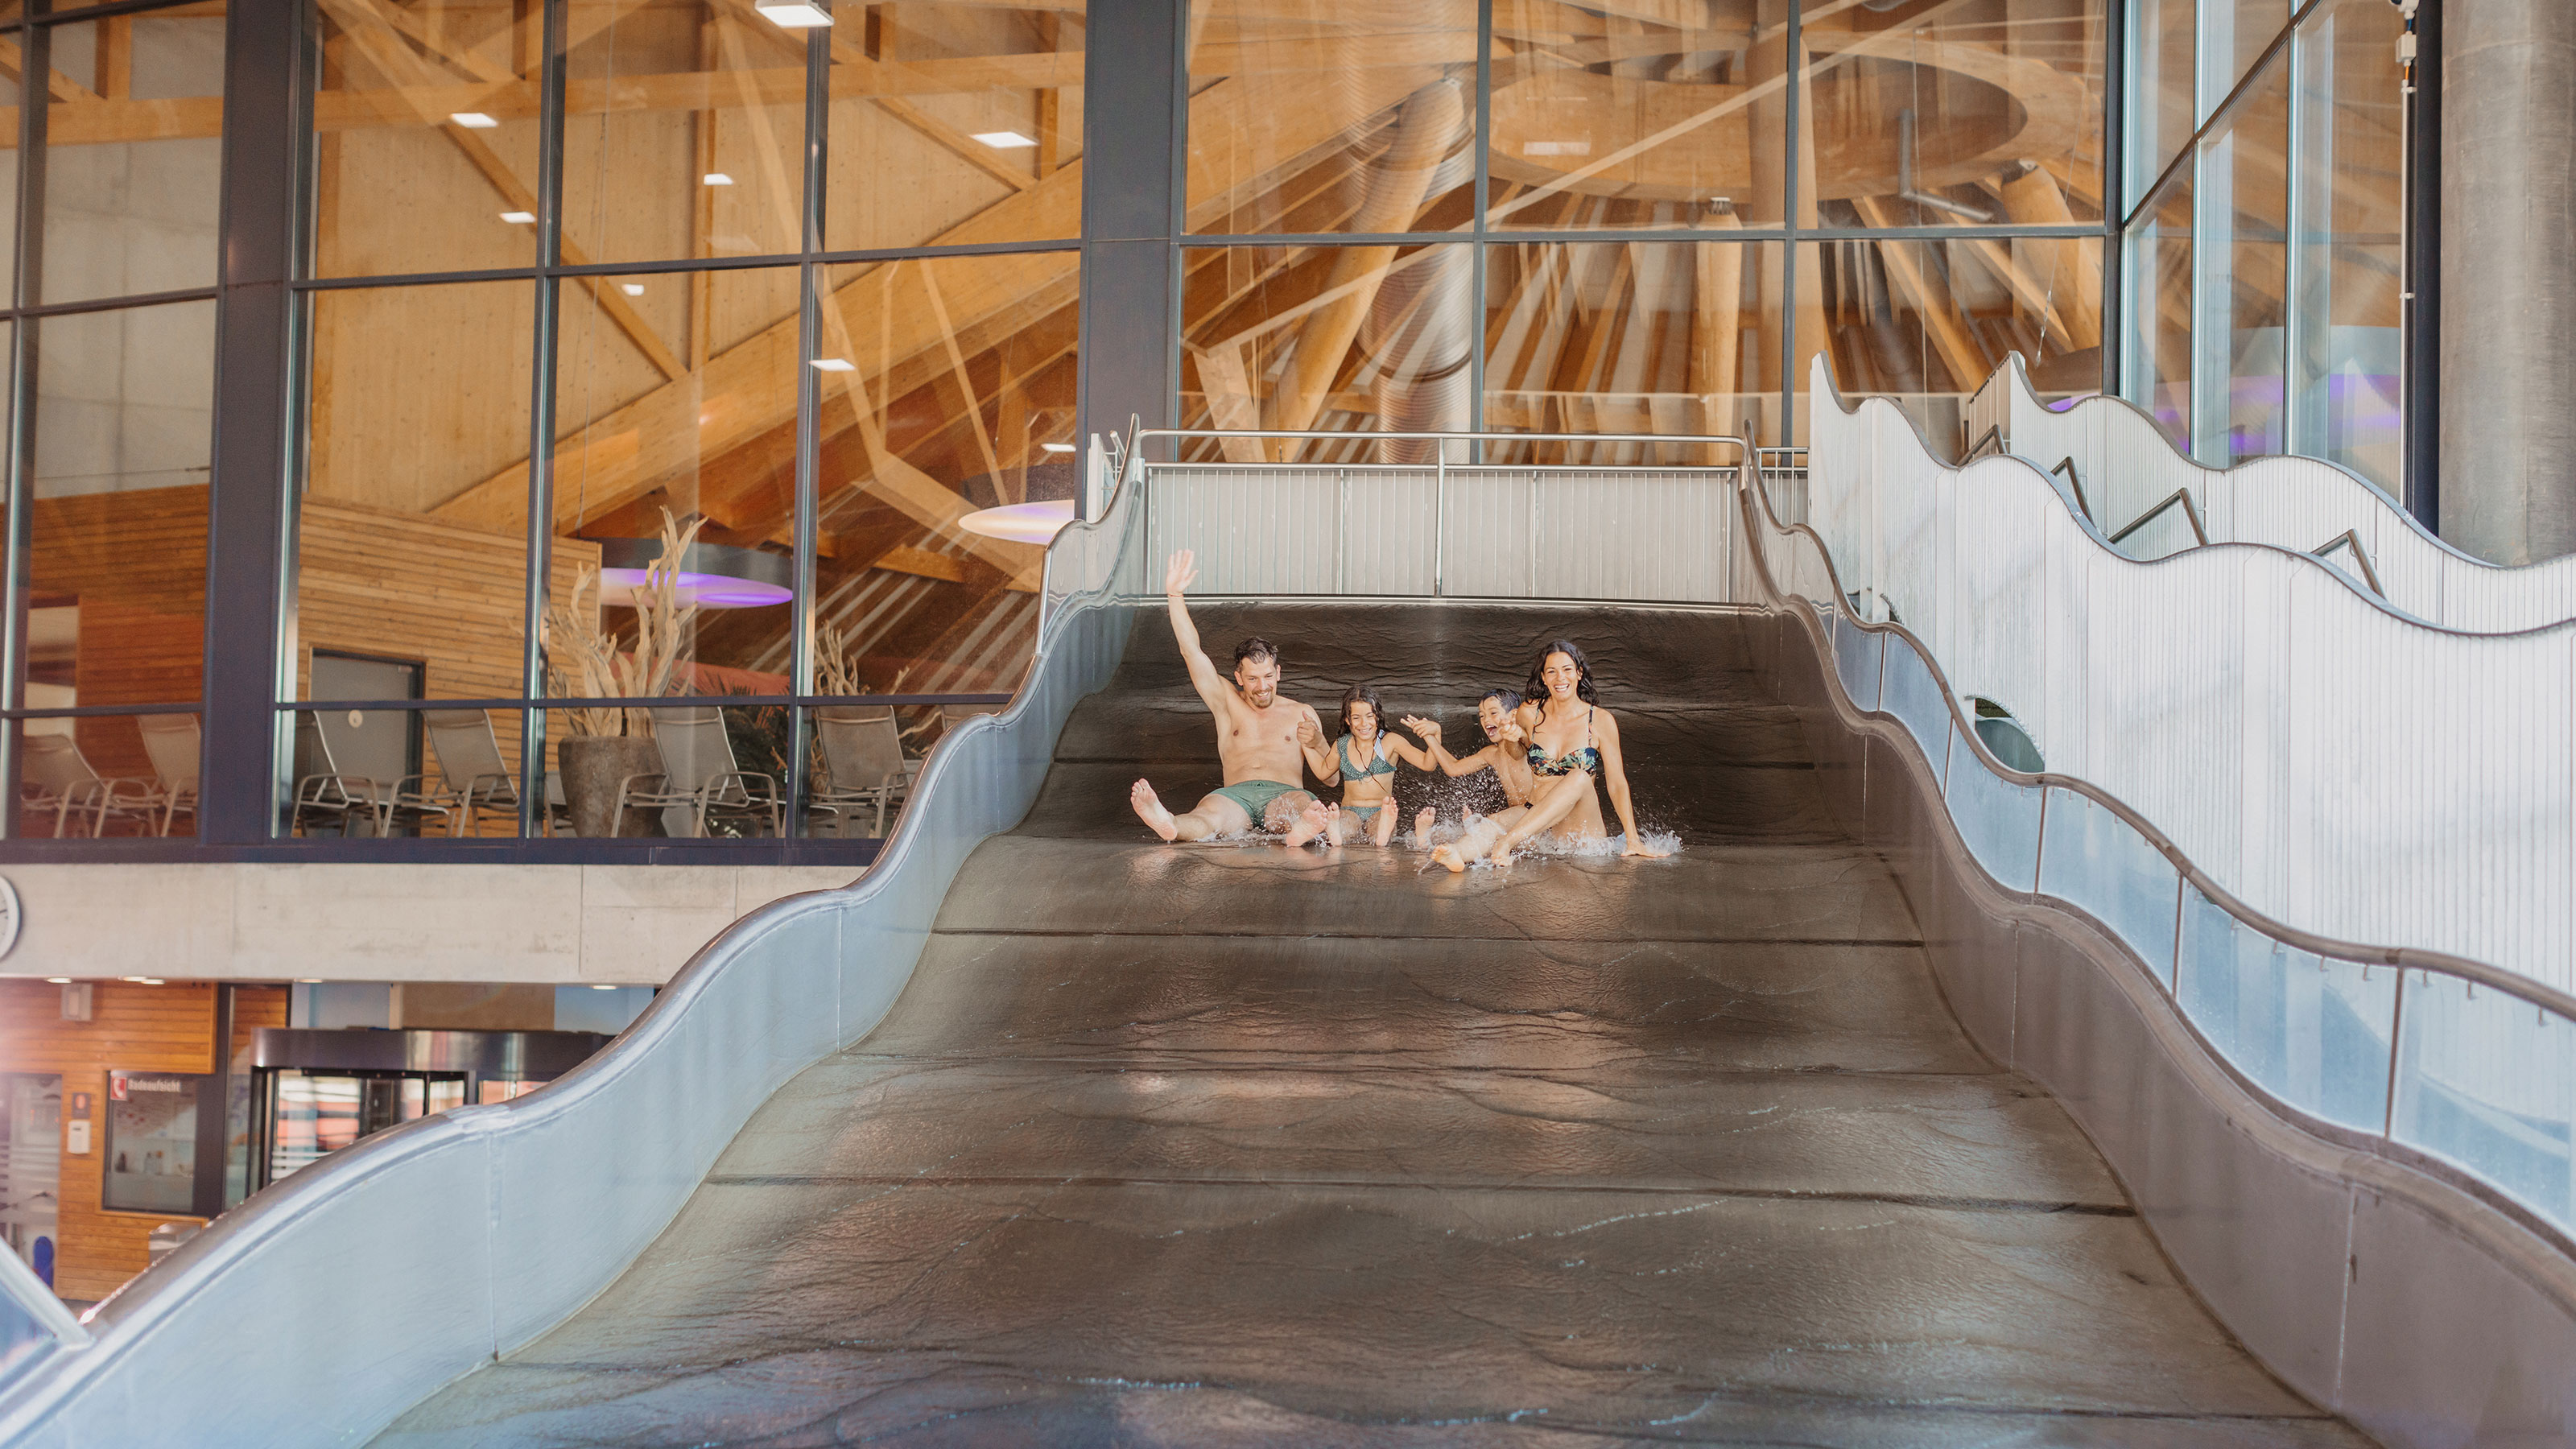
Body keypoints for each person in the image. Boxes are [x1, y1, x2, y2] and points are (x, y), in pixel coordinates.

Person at [1128, 549, 1331, 847]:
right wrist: (1175, 596)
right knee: (1209, 816)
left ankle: (1300, 828)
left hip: (1285, 792)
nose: (1262, 686)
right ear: (1239, 677)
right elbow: (1191, 652)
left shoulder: (1302, 713)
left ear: (1278, 673)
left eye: (1267, 676)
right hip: (1235, 796)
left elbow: (1331, 779)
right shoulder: (1226, 702)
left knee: (1299, 806)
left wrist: (1319, 742)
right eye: (1252, 679)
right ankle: (1169, 823)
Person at [1430, 640, 1670, 870]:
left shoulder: (1600, 720)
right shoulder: (1530, 713)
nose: (1560, 678)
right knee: (1492, 822)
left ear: (1579, 673)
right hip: (1539, 824)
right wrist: (1514, 737)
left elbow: (1617, 784)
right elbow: (1517, 754)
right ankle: (1457, 854)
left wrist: (1632, 839)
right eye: (1552, 672)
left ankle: (1506, 843)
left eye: (1567, 670)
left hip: (1580, 832)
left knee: (1579, 777)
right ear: (1544, 678)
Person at [1402, 689, 1537, 847]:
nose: (1486, 720)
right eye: (1482, 716)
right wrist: (1430, 736)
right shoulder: (1491, 754)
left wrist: (1515, 732)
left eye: (1493, 713)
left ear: (1514, 715)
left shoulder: (1524, 740)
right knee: (1451, 834)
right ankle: (1425, 840)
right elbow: (1453, 768)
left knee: (1489, 825)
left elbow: (1518, 751)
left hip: (1536, 815)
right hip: (1515, 819)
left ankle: (1466, 839)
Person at [1312, 684, 1437, 847]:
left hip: (1380, 811)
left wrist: (1434, 734)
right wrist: (1306, 745)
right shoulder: (1342, 744)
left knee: (1379, 830)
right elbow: (1323, 773)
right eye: (1356, 718)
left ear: (1377, 716)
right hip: (1350, 809)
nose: (1364, 723)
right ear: (1348, 720)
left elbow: (1428, 764)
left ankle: (1381, 836)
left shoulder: (1391, 741)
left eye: (1369, 716)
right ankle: (1337, 835)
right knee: (1345, 828)